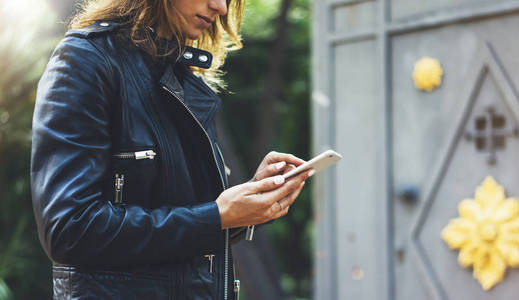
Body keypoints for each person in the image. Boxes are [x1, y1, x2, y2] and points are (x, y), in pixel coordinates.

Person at [30, 0, 313, 298]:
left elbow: (183, 220)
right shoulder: (86, 60)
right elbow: (69, 230)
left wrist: (245, 205)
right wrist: (217, 216)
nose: (221, 8)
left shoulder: (181, 77)